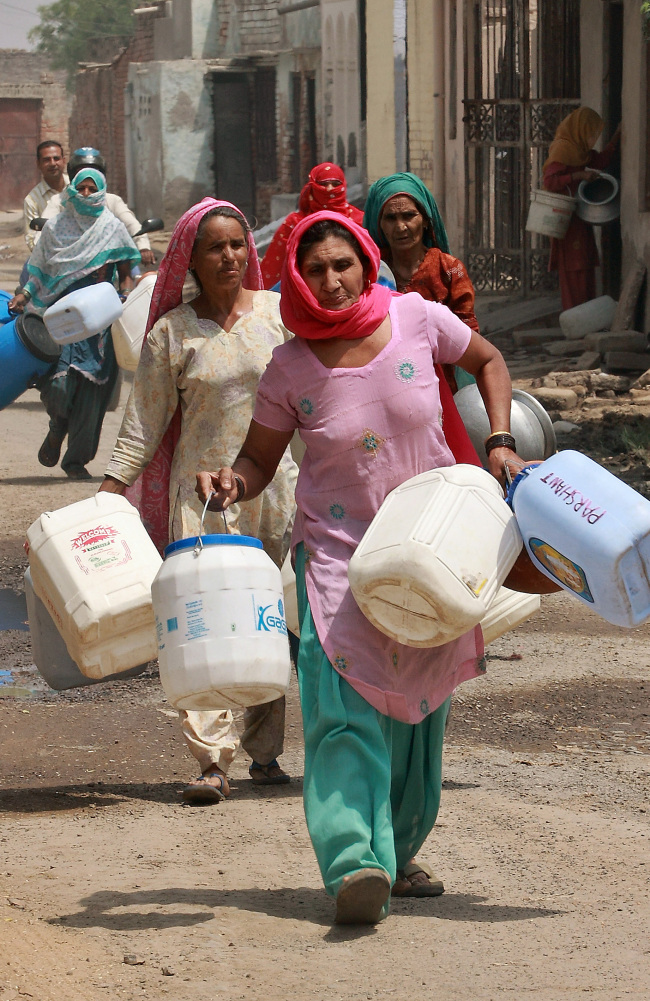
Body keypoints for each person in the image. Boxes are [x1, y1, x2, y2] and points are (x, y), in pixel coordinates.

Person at [196, 211, 522, 924]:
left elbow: (489, 361)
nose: (332, 279)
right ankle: (354, 861)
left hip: (432, 549)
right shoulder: (290, 368)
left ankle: (398, 852)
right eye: (315, 269)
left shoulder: (418, 318)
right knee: (342, 700)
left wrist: (498, 438)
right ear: (295, 280)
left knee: (418, 708)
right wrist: (232, 480)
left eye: (343, 263)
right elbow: (259, 459)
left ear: (366, 260)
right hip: (339, 556)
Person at [99, 197, 298, 804]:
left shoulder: (280, 316)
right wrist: (107, 497)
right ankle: (212, 761)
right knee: (208, 623)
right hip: (203, 500)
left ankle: (265, 755)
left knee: (267, 621)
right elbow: (144, 423)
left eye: (238, 244)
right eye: (215, 247)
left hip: (277, 492)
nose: (230, 257)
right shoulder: (172, 332)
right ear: (191, 257)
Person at [9, 168, 139, 480]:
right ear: (73, 191)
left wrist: (125, 295)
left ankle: (76, 461)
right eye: (80, 189)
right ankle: (57, 429)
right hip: (60, 318)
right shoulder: (55, 227)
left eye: (92, 189)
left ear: (101, 191)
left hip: (100, 323)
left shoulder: (112, 228)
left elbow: (124, 268)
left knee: (92, 394)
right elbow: (38, 268)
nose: (85, 195)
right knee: (58, 385)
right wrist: (25, 295)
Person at [364, 171, 479, 394]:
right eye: (390, 218)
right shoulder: (369, 272)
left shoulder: (448, 268)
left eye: (409, 216)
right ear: (379, 224)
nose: (400, 227)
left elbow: (468, 332)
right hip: (381, 384)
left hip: (440, 384)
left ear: (426, 219)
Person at [542, 107, 621, 311]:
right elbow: (550, 181)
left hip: (581, 216)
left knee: (585, 263)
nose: (593, 139)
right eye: (591, 133)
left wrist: (616, 137)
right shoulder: (562, 149)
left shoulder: (581, 152)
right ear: (580, 129)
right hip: (566, 218)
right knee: (573, 267)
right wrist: (579, 176)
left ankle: (587, 313)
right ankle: (574, 314)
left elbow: (601, 161)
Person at [261, 162, 363, 289]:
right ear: (312, 187)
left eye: (335, 184)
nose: (329, 189)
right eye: (323, 184)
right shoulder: (295, 223)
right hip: (303, 292)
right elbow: (274, 266)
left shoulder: (358, 221)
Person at [23, 141, 68, 252]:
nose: (53, 163)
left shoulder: (78, 187)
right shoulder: (32, 200)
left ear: (64, 161)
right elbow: (32, 241)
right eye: (47, 160)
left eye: (56, 158)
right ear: (38, 164)